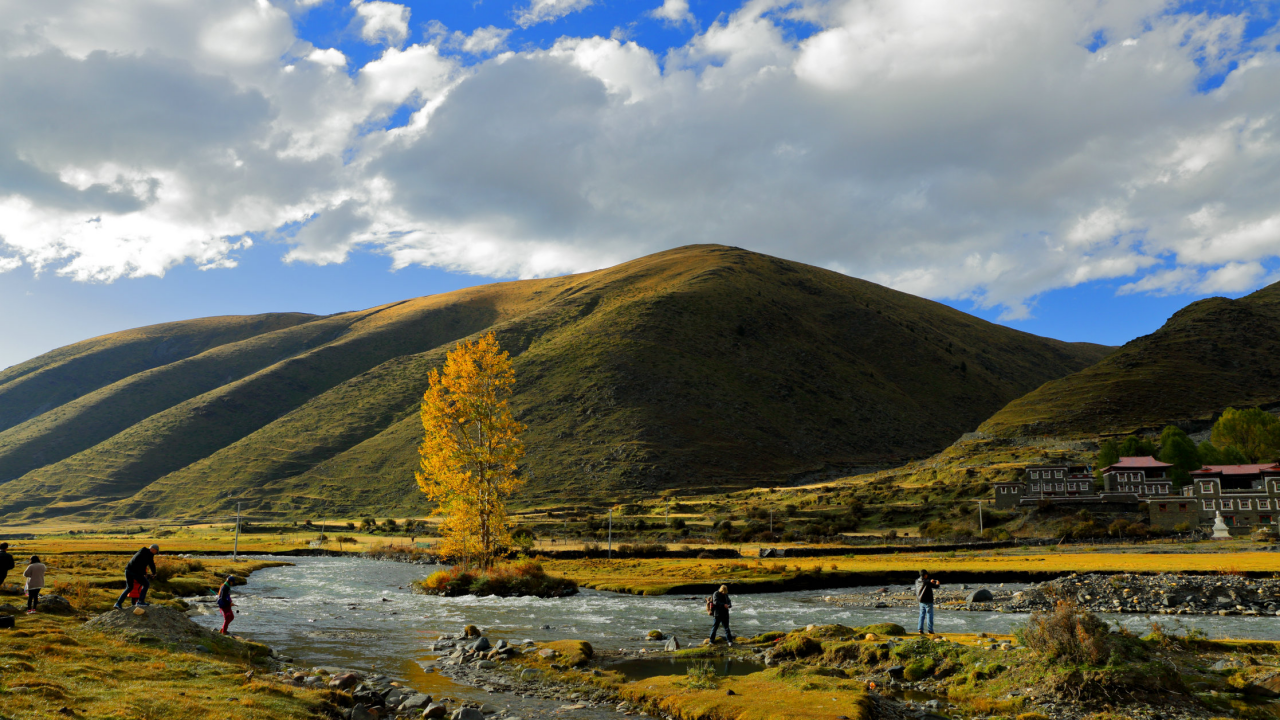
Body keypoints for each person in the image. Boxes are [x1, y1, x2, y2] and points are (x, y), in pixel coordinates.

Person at [113, 544, 159, 610]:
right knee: (146, 584)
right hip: (135, 572)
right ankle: (140, 602)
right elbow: (151, 564)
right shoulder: (149, 554)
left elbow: (140, 563)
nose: (155, 553)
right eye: (156, 552)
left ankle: (118, 603)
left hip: (128, 570)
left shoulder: (142, 551)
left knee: (129, 587)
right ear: (153, 549)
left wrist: (145, 573)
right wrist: (154, 573)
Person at [915, 569, 940, 635]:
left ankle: (920, 629)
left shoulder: (917, 581)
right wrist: (937, 583)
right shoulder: (927, 582)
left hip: (920, 600)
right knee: (929, 615)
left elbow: (926, 582)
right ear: (925, 575)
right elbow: (935, 586)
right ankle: (930, 630)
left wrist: (930, 581)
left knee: (921, 615)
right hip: (928, 601)